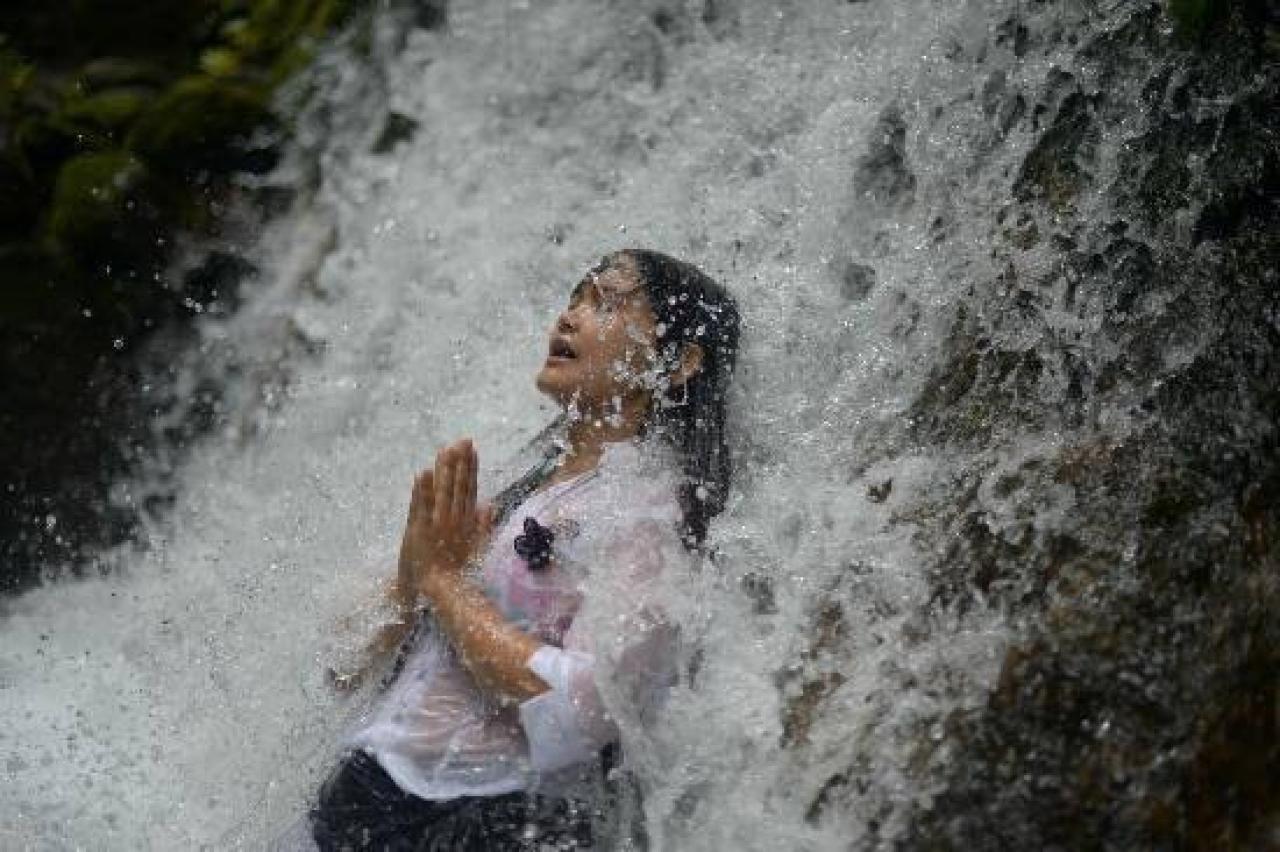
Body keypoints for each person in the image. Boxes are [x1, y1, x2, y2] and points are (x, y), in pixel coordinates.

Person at [303, 249, 741, 850]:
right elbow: (340, 665)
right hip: (367, 797)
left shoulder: (648, 517)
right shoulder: (518, 489)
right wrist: (412, 580)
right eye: (574, 298)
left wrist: (445, 586)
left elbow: (589, 708)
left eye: (605, 302)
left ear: (678, 363)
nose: (568, 318)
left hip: (490, 819)